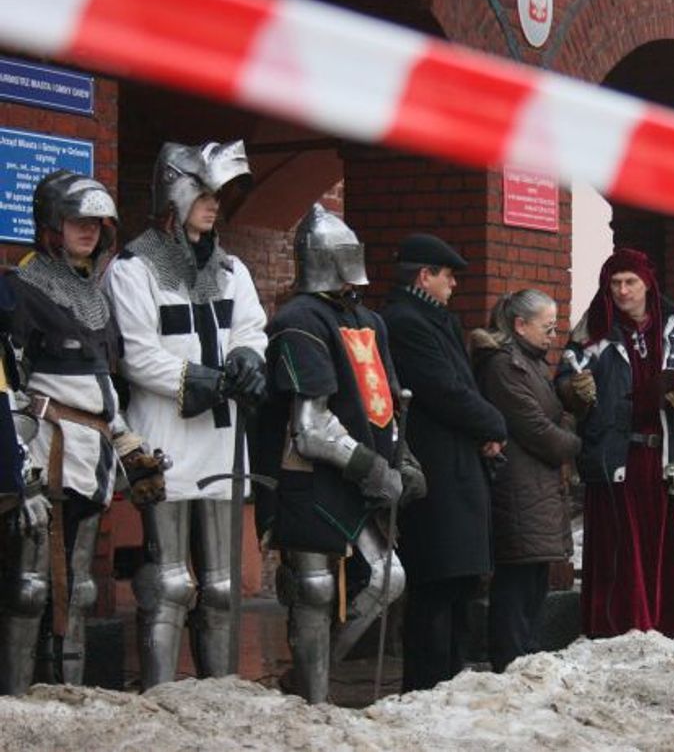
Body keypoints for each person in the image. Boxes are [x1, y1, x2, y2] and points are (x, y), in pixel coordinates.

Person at [105, 142, 268, 688]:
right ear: (174, 195)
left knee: (222, 586)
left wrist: (246, 359)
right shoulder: (132, 268)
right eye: (203, 193)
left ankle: (219, 698)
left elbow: (250, 326)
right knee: (171, 581)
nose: (214, 203)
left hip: (222, 442)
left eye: (216, 194)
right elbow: (137, 351)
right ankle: (159, 700)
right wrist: (204, 380)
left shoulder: (231, 269)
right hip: (164, 437)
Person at [0, 171, 165, 694]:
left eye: (96, 222)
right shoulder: (18, 291)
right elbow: (10, 386)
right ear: (51, 225)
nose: (89, 231)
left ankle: (68, 701)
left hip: (91, 457)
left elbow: (103, 385)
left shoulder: (96, 297)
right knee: (29, 588)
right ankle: (16, 707)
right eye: (77, 221)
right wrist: (20, 472)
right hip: (45, 453)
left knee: (81, 589)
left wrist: (127, 442)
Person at [252, 204, 423, 703]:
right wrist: (370, 466)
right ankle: (313, 699)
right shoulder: (298, 321)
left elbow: (386, 403)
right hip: (305, 477)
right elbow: (310, 427)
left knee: (388, 579)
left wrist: (403, 458)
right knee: (314, 590)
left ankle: (309, 675)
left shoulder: (366, 320)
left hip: (354, 473)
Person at [556, 248, 674, 639]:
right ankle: (617, 630)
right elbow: (565, 383)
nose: (622, 291)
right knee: (618, 552)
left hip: (663, 455)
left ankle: (664, 628)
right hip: (613, 454)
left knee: (659, 551)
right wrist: (576, 391)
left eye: (630, 282)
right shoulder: (592, 331)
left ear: (648, 284)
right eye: (615, 283)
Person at [381, 233, 508, 692]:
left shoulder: (436, 320)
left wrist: (486, 430)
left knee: (457, 590)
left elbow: (462, 388)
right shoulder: (406, 322)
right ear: (424, 276)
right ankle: (428, 691)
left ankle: (450, 686)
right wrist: (494, 425)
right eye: (447, 275)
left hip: (456, 471)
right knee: (436, 590)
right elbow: (446, 392)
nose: (453, 284)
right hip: (436, 476)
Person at [469, 289, 580, 673]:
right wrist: (576, 444)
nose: (553, 336)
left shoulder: (531, 363)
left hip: (537, 487)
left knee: (533, 582)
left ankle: (523, 659)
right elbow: (536, 428)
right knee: (516, 584)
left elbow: (557, 418)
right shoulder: (504, 366)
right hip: (518, 488)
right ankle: (510, 663)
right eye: (547, 327)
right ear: (520, 325)